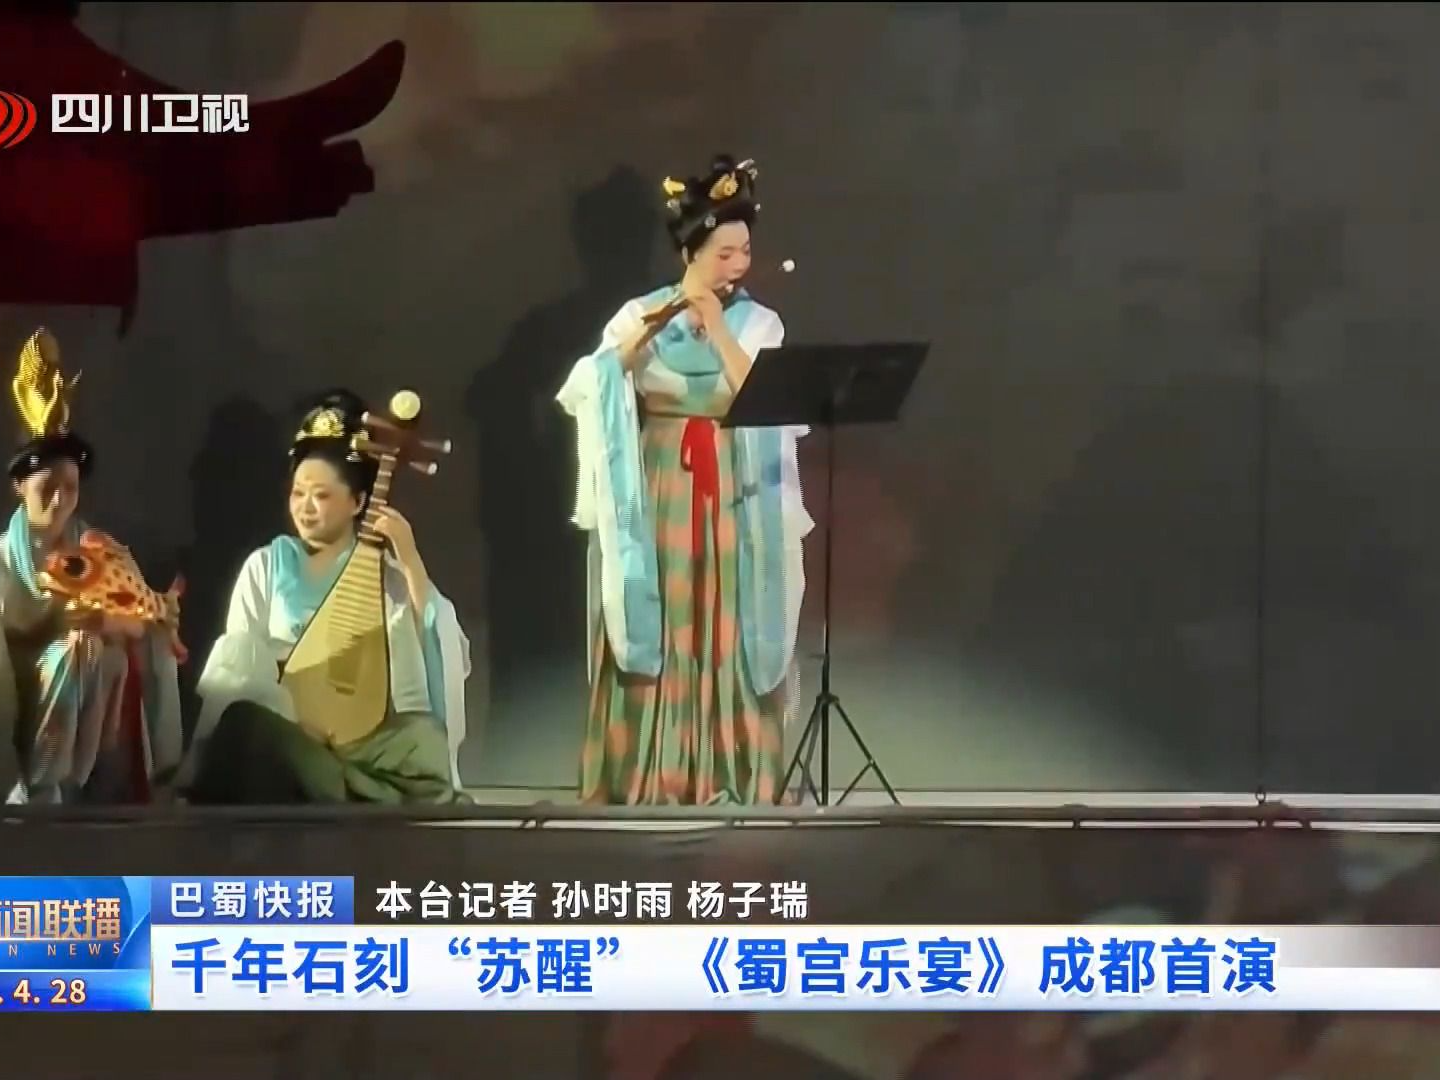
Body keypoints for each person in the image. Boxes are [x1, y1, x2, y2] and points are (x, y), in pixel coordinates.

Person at [556, 154, 813, 806]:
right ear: (690, 251)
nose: (737, 265)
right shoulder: (641, 313)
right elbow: (589, 384)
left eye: (744, 252)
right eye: (724, 253)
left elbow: (761, 393)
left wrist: (717, 323)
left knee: (727, 614)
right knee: (659, 614)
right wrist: (644, 337)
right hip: (661, 485)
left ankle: (730, 768)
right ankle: (650, 771)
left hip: (734, 485)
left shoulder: (759, 322)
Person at [177, 390, 470, 804]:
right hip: (287, 724)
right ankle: (347, 791)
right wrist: (289, 702)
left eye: (322, 495)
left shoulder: (384, 575)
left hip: (363, 742)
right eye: (298, 493)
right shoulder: (267, 565)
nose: (306, 507)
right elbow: (239, 665)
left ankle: (332, 784)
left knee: (426, 742)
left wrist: (409, 558)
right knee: (246, 719)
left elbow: (436, 637)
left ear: (358, 502)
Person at [0, 327, 183, 803]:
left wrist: (104, 621)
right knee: (70, 653)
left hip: (86, 672)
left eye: (70, 488)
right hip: (18, 677)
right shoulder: (4, 554)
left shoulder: (97, 547)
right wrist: (55, 621)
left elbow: (136, 614)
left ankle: (70, 782)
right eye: (47, 488)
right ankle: (39, 783)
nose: (59, 500)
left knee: (92, 651)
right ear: (19, 488)